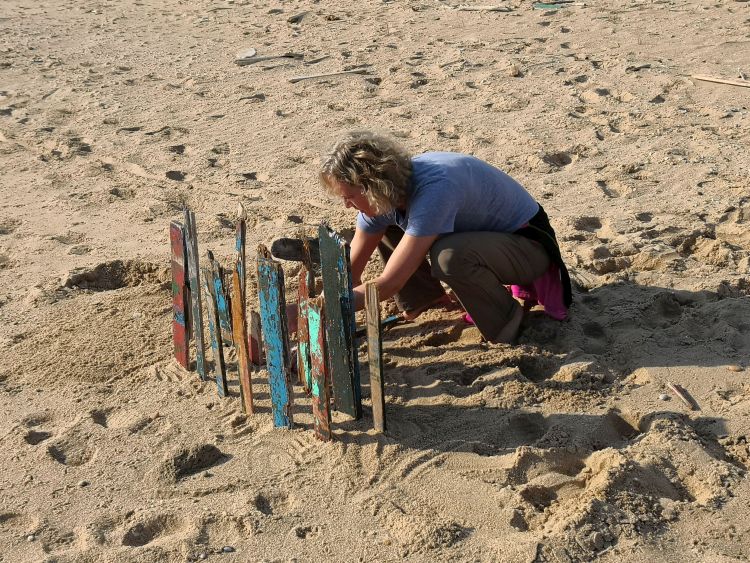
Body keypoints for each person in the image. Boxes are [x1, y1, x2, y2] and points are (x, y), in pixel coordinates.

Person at [310, 130, 572, 343]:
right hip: (490, 242)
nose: (346, 205)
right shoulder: (388, 194)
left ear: (372, 186)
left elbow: (390, 283)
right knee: (390, 224)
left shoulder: (434, 192)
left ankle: (509, 323)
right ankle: (426, 301)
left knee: (449, 256)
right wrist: (320, 304)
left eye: (349, 197)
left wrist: (320, 311)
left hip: (530, 248)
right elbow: (350, 272)